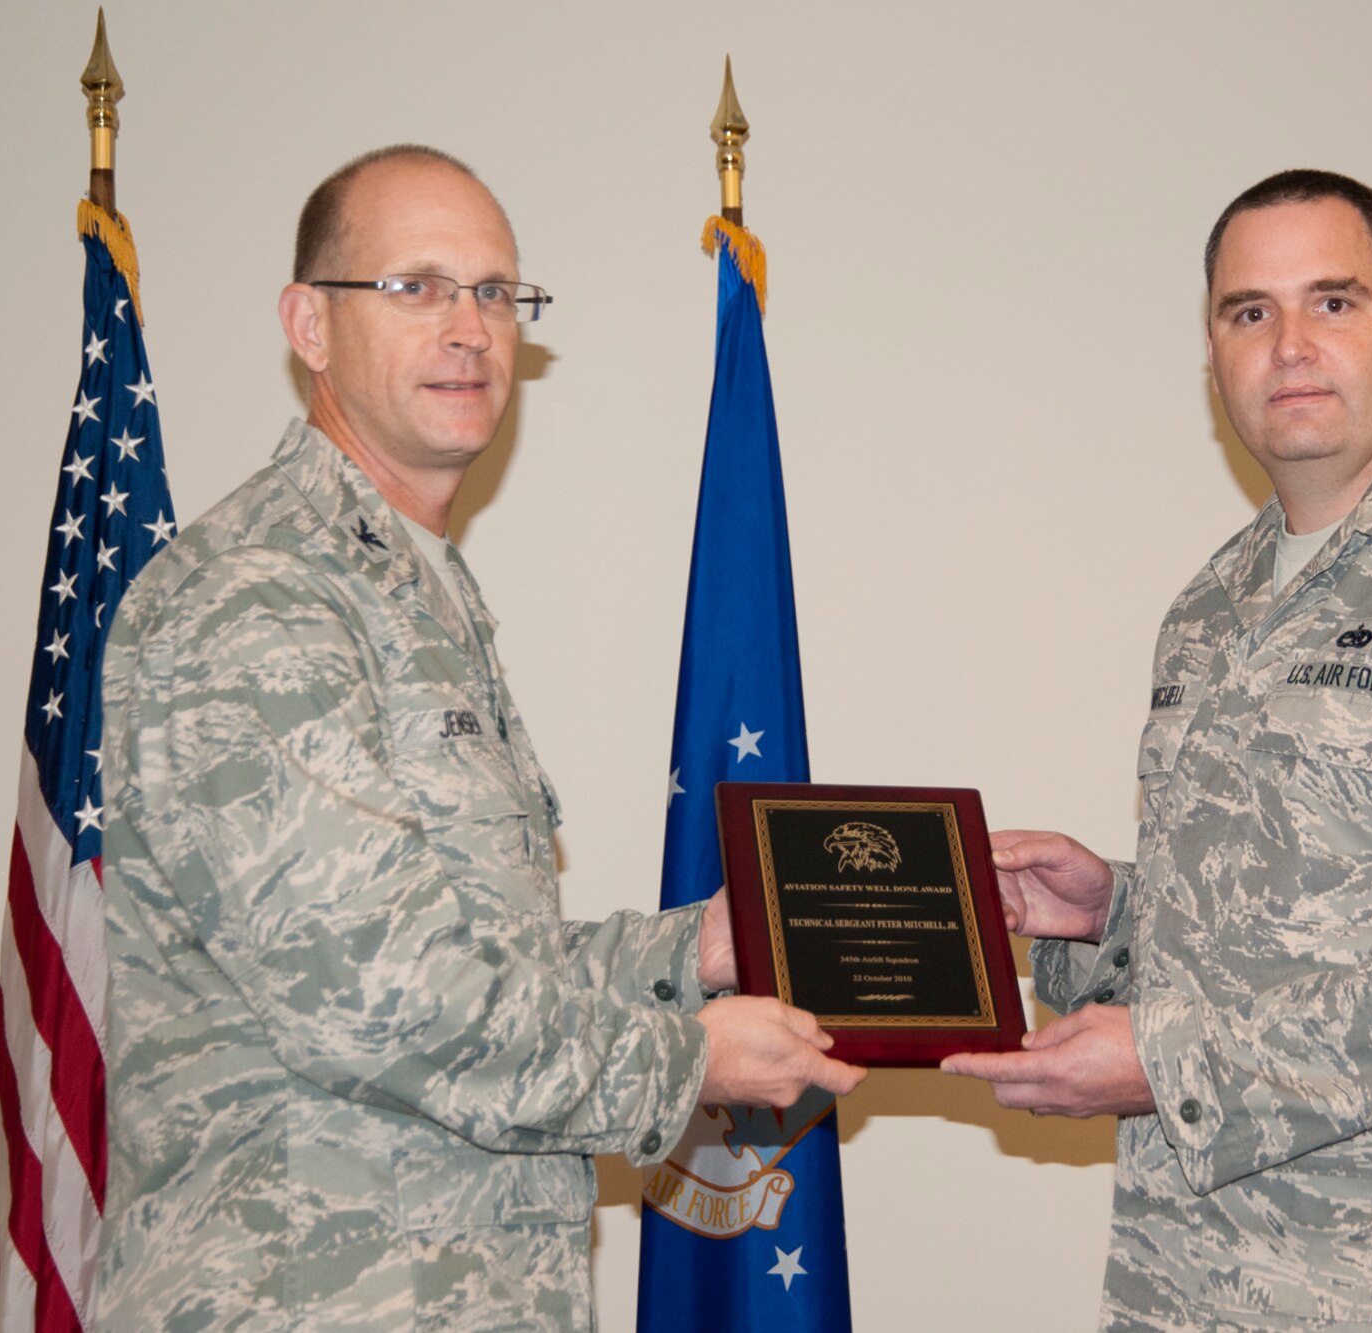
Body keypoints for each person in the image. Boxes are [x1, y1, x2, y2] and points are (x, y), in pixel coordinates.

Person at [94, 145, 865, 1331]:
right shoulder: (261, 598)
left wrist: (698, 947)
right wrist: (686, 1061)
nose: (468, 328)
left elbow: (481, 961)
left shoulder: (414, 589)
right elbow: (384, 996)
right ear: (308, 324)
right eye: (416, 287)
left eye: (496, 292)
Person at [943, 170, 1372, 1331]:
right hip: (1189, 1280)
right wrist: (1109, 914)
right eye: (1248, 312)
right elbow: (1278, 918)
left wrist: (1173, 1061)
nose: (1288, 344)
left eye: (1332, 301)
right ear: (1211, 355)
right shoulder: (1212, 604)